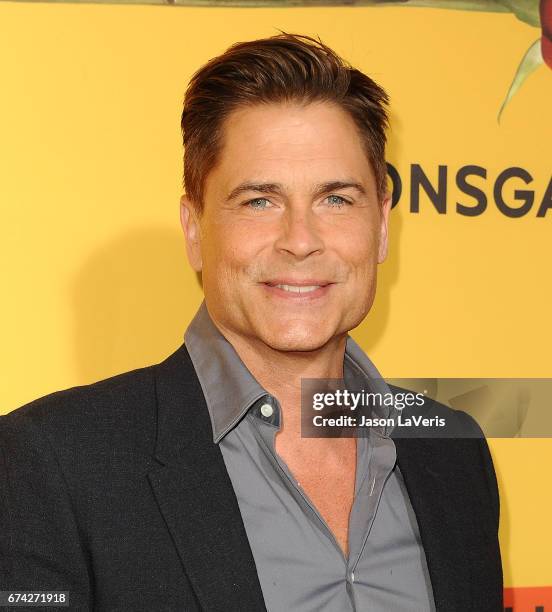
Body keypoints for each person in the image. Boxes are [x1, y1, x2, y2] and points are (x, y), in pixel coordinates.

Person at [0, 33, 502, 611]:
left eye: (336, 199)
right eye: (259, 201)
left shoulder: (450, 450)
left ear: (382, 225)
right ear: (195, 229)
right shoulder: (53, 463)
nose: (301, 241)